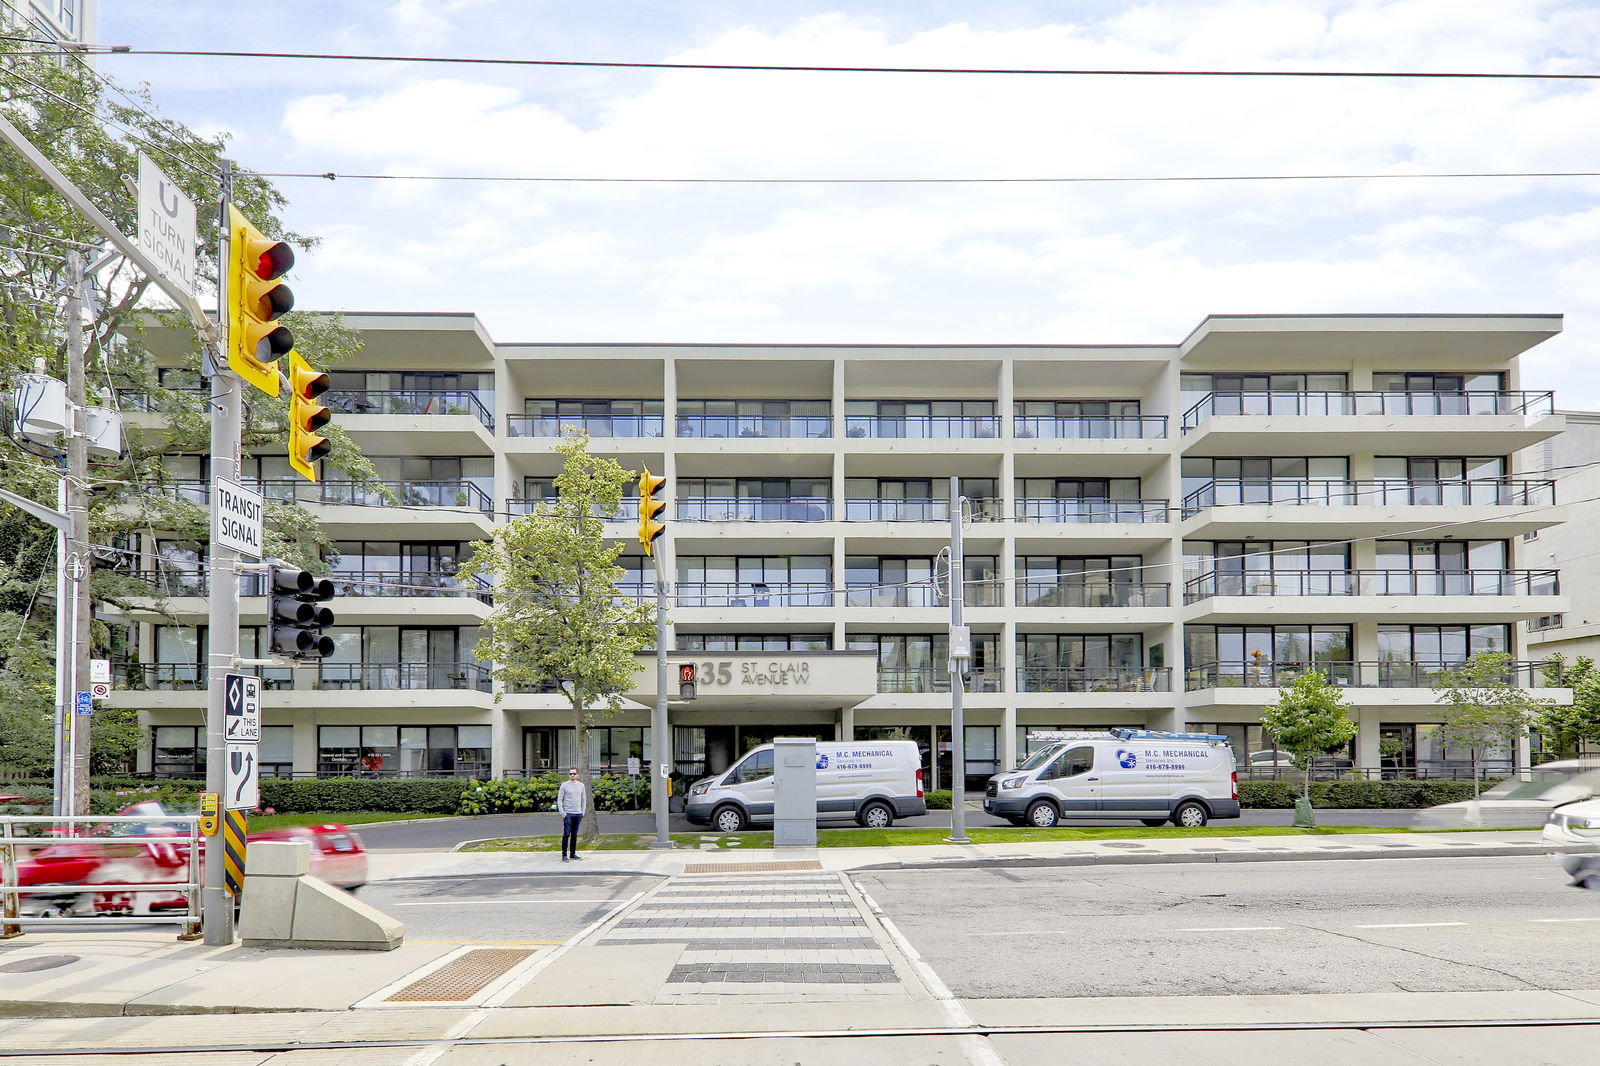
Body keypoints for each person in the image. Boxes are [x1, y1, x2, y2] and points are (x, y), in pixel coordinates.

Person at [557, 767, 587, 862]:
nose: (572, 775)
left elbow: (583, 799)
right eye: (571, 774)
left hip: (578, 813)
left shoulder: (581, 785)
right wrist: (562, 812)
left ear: (578, 775)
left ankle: (573, 854)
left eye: (574, 774)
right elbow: (560, 799)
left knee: (574, 834)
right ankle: (564, 855)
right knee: (566, 834)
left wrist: (583, 811)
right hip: (568, 814)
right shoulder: (564, 785)